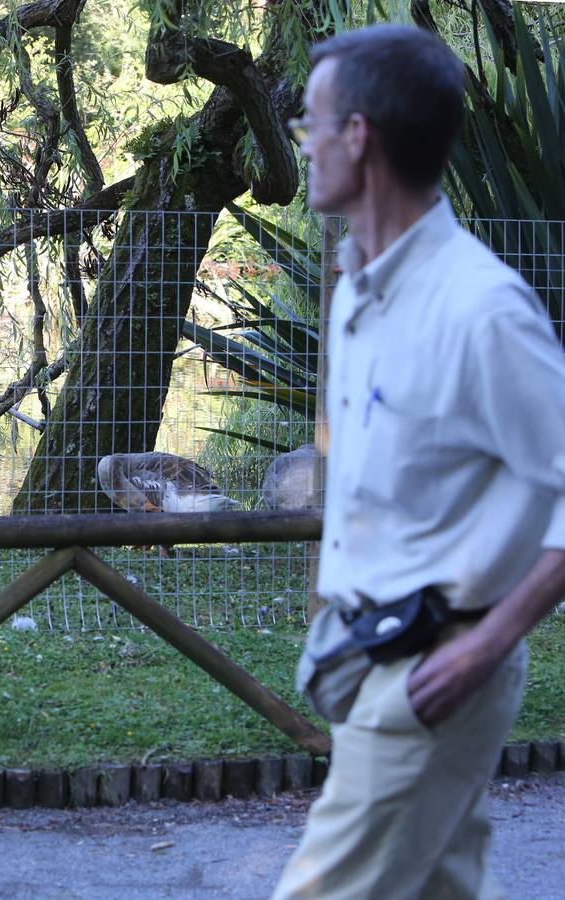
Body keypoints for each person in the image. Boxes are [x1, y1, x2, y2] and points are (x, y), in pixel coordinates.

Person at [273, 23, 565, 899]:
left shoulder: (481, 311)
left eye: (311, 125)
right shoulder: (357, 289)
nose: (306, 144)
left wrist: (490, 646)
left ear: (357, 137)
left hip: (437, 673)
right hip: (366, 659)